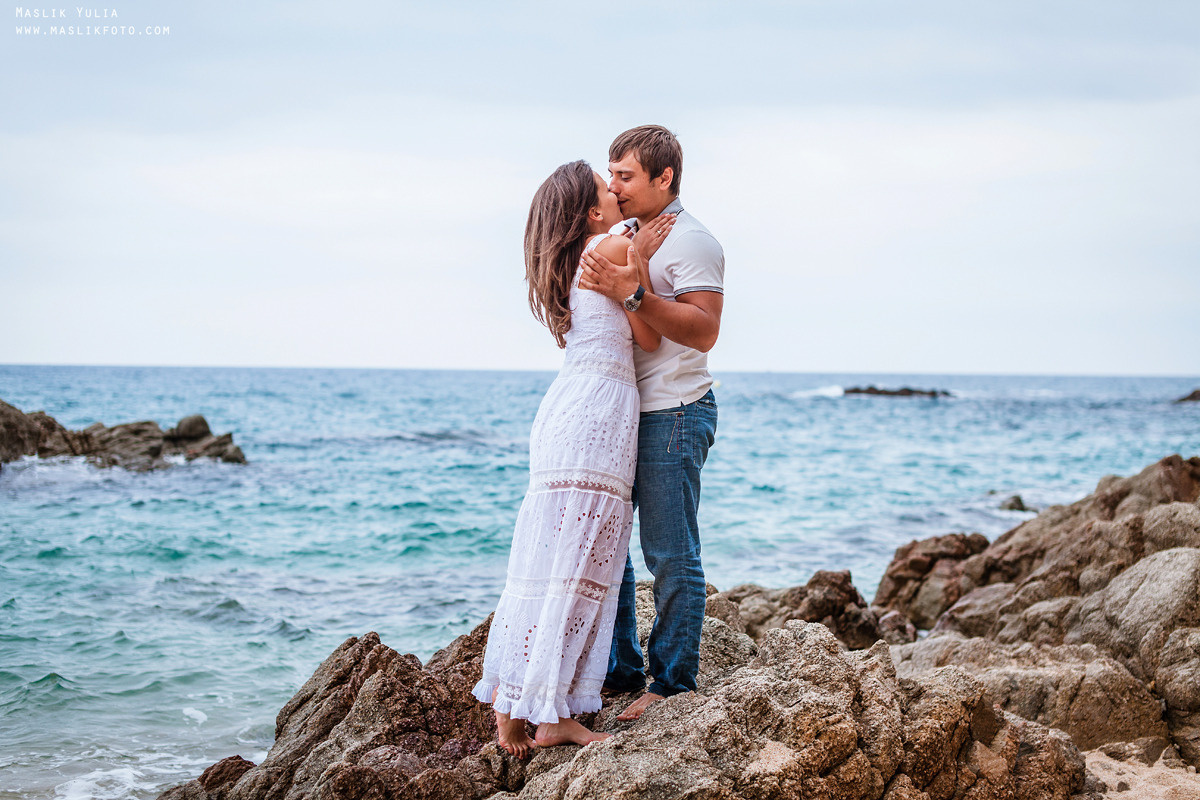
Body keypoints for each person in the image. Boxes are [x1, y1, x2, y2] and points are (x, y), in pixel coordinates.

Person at [471, 160, 676, 757]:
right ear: (591, 213)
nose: (617, 193)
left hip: (569, 409)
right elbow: (653, 337)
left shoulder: (572, 260)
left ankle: (512, 711)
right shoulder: (612, 244)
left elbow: (637, 330)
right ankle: (554, 715)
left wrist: (636, 268)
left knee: (544, 564)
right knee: (582, 562)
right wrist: (639, 255)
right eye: (606, 188)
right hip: (600, 410)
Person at [579, 125, 724, 721]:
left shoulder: (693, 242)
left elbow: (704, 329)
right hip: (623, 413)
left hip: (675, 411)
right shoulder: (627, 234)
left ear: (665, 178)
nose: (614, 185)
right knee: (608, 547)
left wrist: (634, 293)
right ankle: (620, 670)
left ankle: (672, 686)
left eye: (626, 175)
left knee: (669, 552)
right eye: (611, 174)